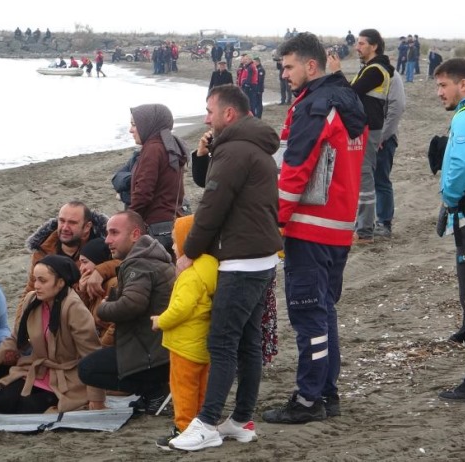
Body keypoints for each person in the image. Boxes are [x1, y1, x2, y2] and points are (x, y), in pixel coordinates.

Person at [167, 84, 281, 452]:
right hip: (261, 255)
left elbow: (211, 207)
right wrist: (203, 154)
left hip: (242, 260)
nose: (206, 118)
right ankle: (241, 420)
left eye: (210, 111)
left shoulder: (234, 151)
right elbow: (212, 184)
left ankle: (207, 424)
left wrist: (190, 251)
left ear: (228, 114)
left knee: (222, 341)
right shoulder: (249, 146)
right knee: (247, 341)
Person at [262, 32, 367, 424]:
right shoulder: (349, 100)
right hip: (339, 225)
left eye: (288, 67)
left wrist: (276, 222)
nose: (284, 74)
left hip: (309, 227)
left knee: (309, 317)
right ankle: (327, 392)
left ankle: (308, 400)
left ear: (311, 65)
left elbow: (296, 167)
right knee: (324, 313)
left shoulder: (315, 106)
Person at [0, 255, 105, 415]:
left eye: (43, 280)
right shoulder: (32, 300)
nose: (37, 285)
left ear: (60, 283)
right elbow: (15, 339)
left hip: (67, 378)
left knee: (28, 408)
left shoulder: (74, 308)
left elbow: (91, 355)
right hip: (36, 371)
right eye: (35, 279)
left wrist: (97, 399)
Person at [78, 211, 175, 414]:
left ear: (135, 234)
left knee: (88, 369)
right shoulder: (150, 258)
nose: (107, 240)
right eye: (107, 233)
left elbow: (132, 304)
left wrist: (104, 307)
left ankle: (156, 391)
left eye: (114, 233)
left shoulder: (139, 264)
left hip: (153, 354)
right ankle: (152, 393)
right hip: (160, 349)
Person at [151, 215, 218, 450]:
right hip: (202, 344)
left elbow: (181, 308)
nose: (171, 246)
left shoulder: (190, 276)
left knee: (182, 388)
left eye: (174, 241)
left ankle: (183, 427)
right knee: (201, 386)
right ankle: (201, 423)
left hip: (183, 344)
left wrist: (161, 320)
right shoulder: (211, 269)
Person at [433, 59, 465, 401]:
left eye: (443, 86)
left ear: (463, 85)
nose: (439, 93)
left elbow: (462, 163)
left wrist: (449, 199)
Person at [329, 29, 393, 244]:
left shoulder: (376, 70)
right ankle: (363, 226)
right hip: (365, 128)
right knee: (360, 175)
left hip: (369, 129)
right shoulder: (370, 68)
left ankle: (365, 231)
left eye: (362, 43)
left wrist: (337, 72)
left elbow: (350, 94)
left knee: (365, 177)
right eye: (357, 43)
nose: (357, 47)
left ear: (374, 46)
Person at [21, 201, 112, 306]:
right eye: (62, 221)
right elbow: (31, 290)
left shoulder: (105, 247)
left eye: (72, 223)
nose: (64, 228)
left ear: (87, 226)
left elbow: (123, 264)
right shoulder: (43, 250)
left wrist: (101, 270)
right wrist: (21, 321)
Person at [128, 103, 188, 256]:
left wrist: (128, 219)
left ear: (147, 124)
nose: (131, 130)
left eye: (134, 125)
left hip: (155, 227)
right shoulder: (170, 146)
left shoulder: (153, 149)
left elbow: (143, 192)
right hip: (171, 223)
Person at [374, 71, 406, 238]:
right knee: (368, 181)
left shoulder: (391, 75)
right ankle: (370, 221)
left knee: (380, 180)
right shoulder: (367, 73)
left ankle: (384, 222)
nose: (357, 47)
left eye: (362, 43)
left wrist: (383, 136)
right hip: (368, 137)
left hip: (383, 139)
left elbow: (397, 107)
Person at [77, 238, 117, 347]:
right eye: (80, 263)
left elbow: (115, 327)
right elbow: (81, 320)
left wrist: (99, 349)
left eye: (85, 262)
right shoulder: (90, 286)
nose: (81, 268)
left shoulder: (113, 284)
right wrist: (83, 293)